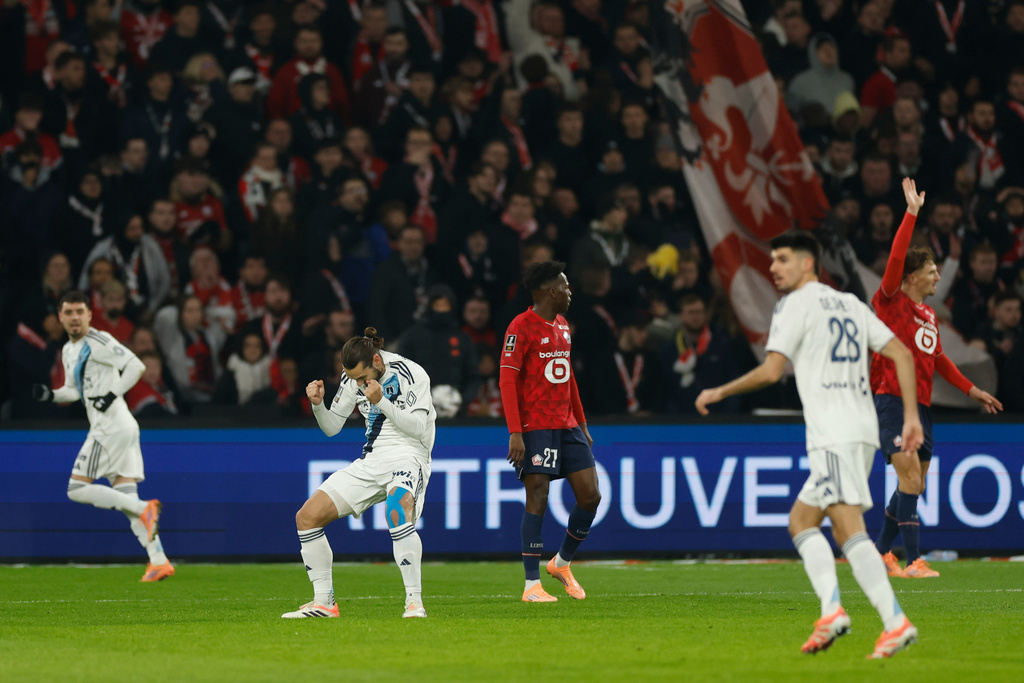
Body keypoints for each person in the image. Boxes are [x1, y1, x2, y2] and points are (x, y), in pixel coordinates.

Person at [695, 231, 922, 659]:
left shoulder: (794, 304)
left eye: (781, 259)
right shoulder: (851, 303)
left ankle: (895, 621)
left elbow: (771, 371)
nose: (773, 267)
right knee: (801, 521)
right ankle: (831, 610)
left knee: (847, 528)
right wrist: (910, 417)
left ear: (806, 264)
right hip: (857, 427)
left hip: (834, 433)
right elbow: (902, 355)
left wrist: (717, 392)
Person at [871, 179, 1003, 579]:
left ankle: (880, 553)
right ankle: (913, 561)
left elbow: (939, 359)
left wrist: (972, 389)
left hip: (923, 408)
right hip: (892, 401)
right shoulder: (890, 302)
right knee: (910, 478)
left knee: (914, 485)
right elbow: (895, 260)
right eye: (930, 272)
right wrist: (911, 214)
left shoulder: (928, 316)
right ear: (912, 277)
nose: (937, 278)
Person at [285, 328, 436, 619]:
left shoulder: (412, 373)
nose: (357, 384)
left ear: (377, 361)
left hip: (409, 455)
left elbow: (418, 429)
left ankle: (414, 602)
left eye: (361, 377)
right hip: (371, 460)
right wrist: (318, 406)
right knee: (306, 517)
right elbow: (332, 428)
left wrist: (380, 401)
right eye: (351, 378)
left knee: (396, 509)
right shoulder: (352, 377)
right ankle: (324, 602)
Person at [30, 290, 173, 582]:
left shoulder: (99, 340)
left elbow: (136, 366)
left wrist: (111, 394)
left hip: (110, 426)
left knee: (76, 488)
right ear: (60, 317)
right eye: (68, 312)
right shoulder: (70, 350)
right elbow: (74, 390)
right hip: (118, 426)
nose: (74, 317)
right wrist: (51, 395)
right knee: (123, 495)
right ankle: (158, 560)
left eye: (79, 311)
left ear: (89, 314)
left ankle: (144, 508)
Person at [500, 261, 599, 603]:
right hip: (536, 425)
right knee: (538, 496)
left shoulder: (562, 325)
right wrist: (516, 432)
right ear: (551, 291)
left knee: (591, 496)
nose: (571, 292)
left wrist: (582, 423)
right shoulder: (520, 326)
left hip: (567, 423)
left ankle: (562, 563)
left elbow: (567, 376)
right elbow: (507, 379)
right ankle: (531, 586)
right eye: (566, 286)